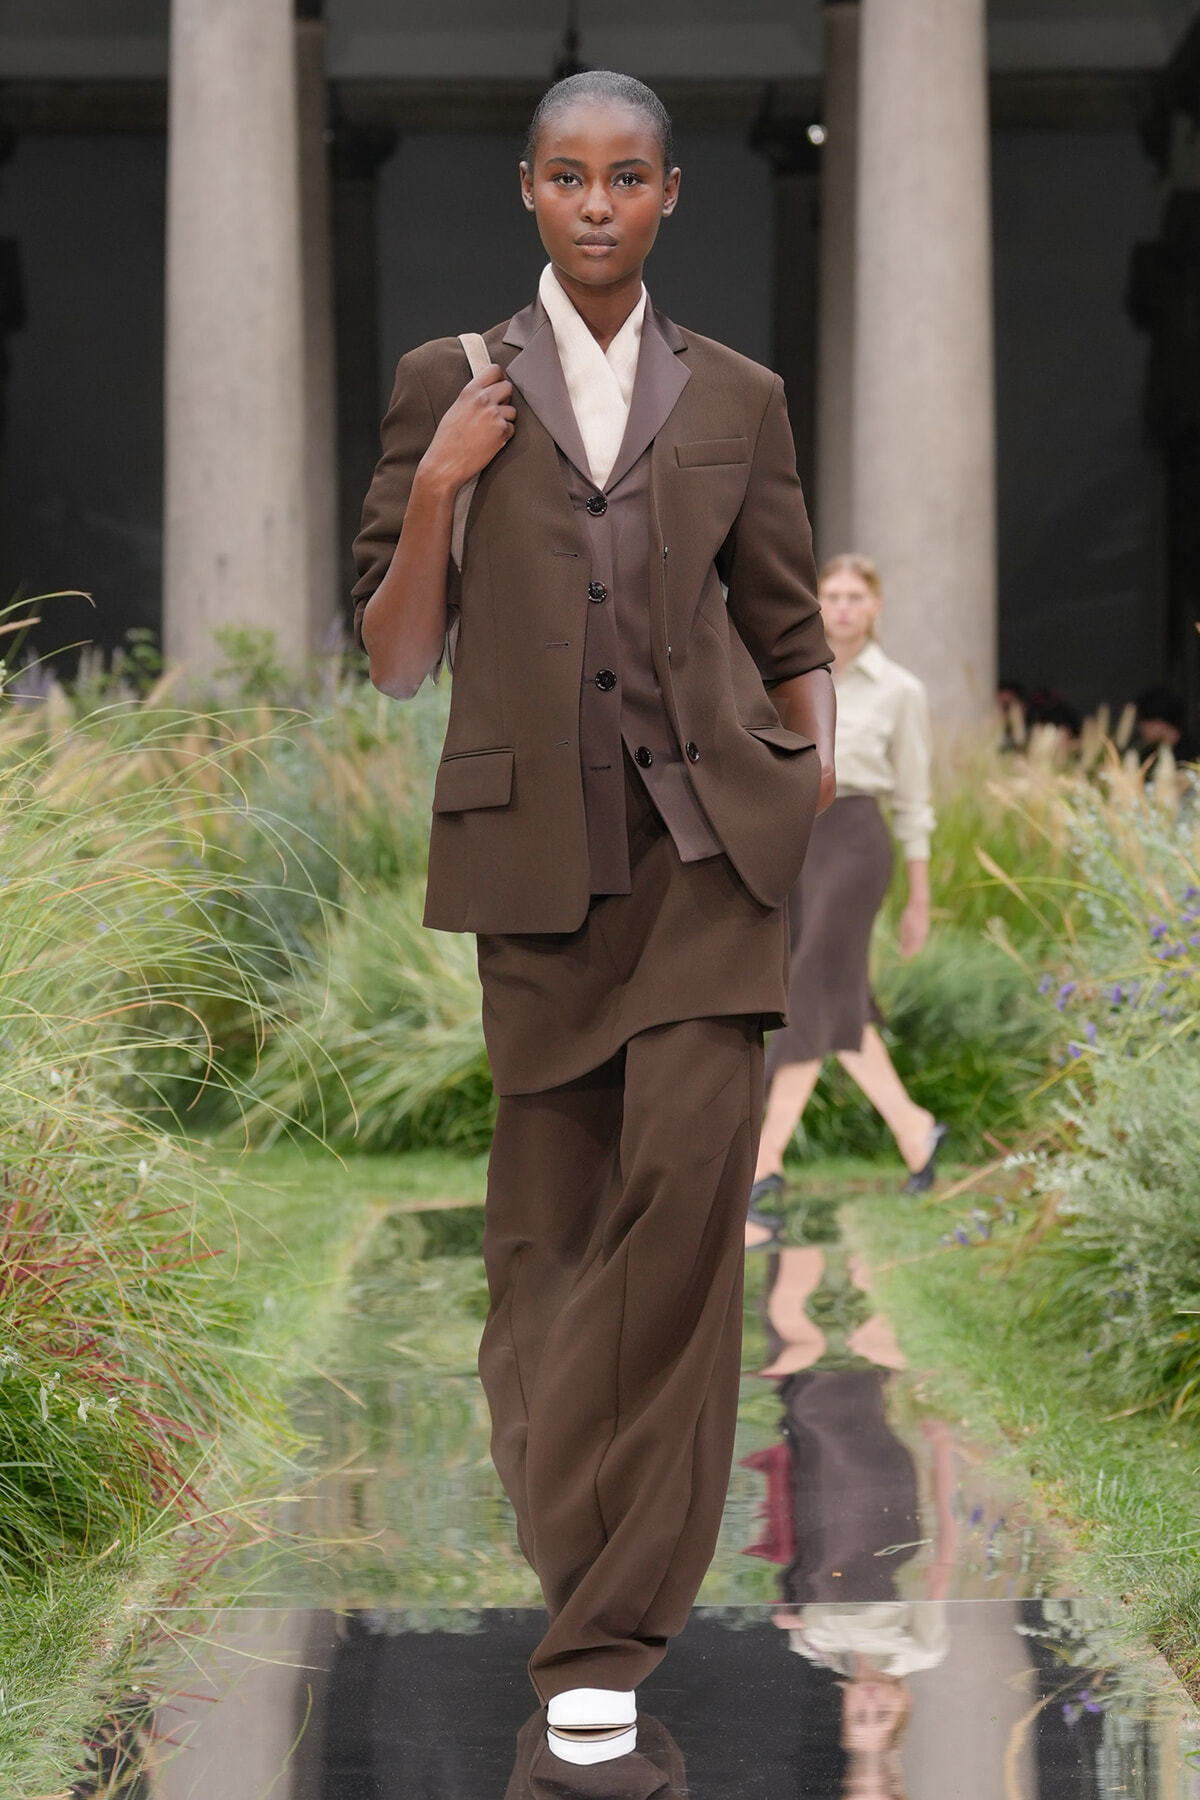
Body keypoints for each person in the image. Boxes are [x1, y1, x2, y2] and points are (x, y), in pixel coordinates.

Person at [353, 70, 836, 1765]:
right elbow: (398, 653)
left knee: (685, 1242)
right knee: (541, 1268)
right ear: (529, 191)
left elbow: (791, 626)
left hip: (710, 874)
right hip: (538, 885)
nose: (600, 206)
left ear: (672, 193)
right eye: (570, 178)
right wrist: (440, 491)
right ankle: (584, 1559)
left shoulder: (743, 400)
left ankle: (606, 1638)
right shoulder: (448, 385)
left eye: (629, 178)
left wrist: (799, 811)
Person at [747, 555, 940, 1248]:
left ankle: (762, 1165)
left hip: (857, 843)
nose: (844, 607)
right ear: (817, 603)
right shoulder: (792, 679)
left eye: (857, 596)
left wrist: (919, 899)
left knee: (803, 996)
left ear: (877, 606)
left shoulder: (901, 691)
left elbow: (916, 803)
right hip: (800, 845)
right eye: (832, 595)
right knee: (838, 1003)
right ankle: (917, 1131)